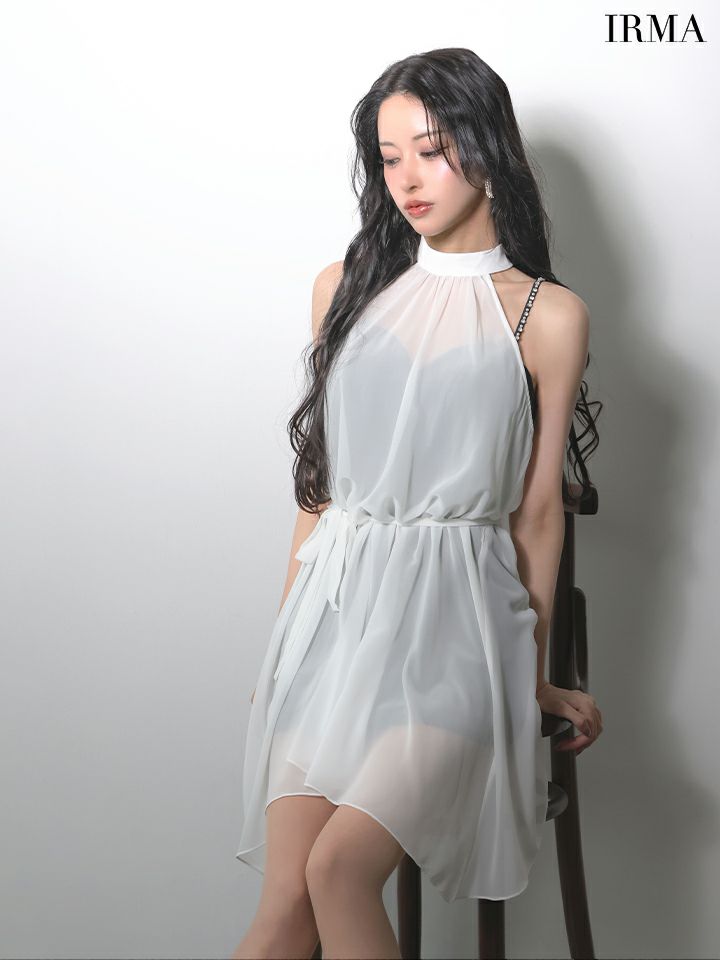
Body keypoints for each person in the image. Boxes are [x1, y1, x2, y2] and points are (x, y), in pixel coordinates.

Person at [231, 47, 604, 960]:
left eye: (431, 151)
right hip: (335, 625)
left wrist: (529, 674)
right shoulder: (344, 288)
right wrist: (286, 649)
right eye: (389, 156)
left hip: (458, 635)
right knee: (285, 903)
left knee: (337, 871)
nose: (407, 179)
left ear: (487, 147)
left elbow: (537, 515)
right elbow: (320, 490)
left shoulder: (545, 315)